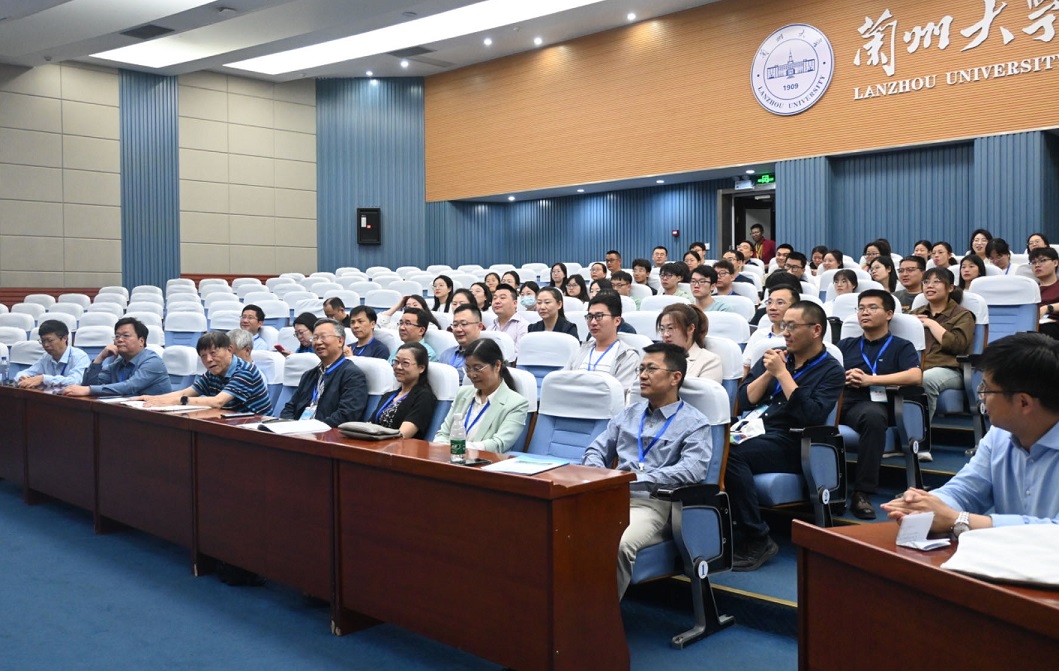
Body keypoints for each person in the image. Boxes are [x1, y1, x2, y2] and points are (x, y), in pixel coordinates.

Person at [883, 332, 1059, 530]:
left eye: (986, 388)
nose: (981, 396)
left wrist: (959, 520)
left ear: (1023, 402)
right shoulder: (999, 436)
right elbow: (965, 490)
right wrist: (927, 504)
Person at [582, 343, 712, 598]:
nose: (642, 375)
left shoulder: (695, 423)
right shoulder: (628, 414)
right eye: (641, 369)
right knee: (560, 530)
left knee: (617, 543)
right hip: (610, 495)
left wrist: (635, 479)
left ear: (675, 377)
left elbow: (692, 470)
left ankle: (598, 616)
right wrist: (600, 476)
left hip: (654, 503)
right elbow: (595, 450)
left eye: (651, 369)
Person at [726, 300, 845, 570]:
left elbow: (811, 416)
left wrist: (782, 375)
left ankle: (758, 538)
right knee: (712, 443)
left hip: (793, 440)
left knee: (730, 455)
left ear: (816, 330)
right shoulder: (774, 357)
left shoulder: (831, 370)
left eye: (792, 326)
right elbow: (743, 401)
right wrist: (769, 374)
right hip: (754, 429)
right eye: (783, 326)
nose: (785, 333)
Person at [837, 290, 922, 519]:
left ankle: (862, 492)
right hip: (840, 400)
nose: (865, 312)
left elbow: (915, 376)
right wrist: (844, 377)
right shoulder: (845, 345)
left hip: (872, 403)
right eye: (861, 308)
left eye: (872, 307)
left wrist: (870, 380)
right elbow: (827, 372)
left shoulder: (901, 346)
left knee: (873, 418)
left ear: (889, 314)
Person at [433, 338, 529, 453]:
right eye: (468, 368)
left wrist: (459, 448)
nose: (471, 375)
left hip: (483, 460)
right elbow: (443, 433)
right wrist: (441, 447)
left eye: (477, 369)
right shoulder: (463, 393)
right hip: (451, 457)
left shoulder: (516, 404)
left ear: (497, 365)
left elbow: (498, 444)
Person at [142, 331, 270, 414]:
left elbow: (218, 401)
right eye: (203, 356)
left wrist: (175, 401)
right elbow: (185, 393)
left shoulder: (245, 371)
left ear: (230, 350)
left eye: (213, 353)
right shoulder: (212, 373)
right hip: (231, 424)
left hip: (258, 430)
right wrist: (150, 399)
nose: (208, 360)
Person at [911, 267, 974, 433]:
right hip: (917, 366)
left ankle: (919, 438)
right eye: (926, 282)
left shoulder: (963, 315)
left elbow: (957, 345)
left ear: (950, 288)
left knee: (925, 380)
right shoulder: (914, 314)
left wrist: (932, 324)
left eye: (937, 281)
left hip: (949, 369)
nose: (930, 285)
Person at [274, 318, 368, 425]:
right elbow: (290, 407)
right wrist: (289, 425)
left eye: (324, 337)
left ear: (340, 341)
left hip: (326, 432)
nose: (318, 342)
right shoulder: (309, 375)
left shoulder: (352, 375)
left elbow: (346, 415)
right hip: (299, 430)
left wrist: (313, 428)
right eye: (315, 338)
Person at [63, 317, 170, 397]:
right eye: (117, 336)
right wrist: (100, 358)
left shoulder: (152, 361)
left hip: (155, 415)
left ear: (141, 341)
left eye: (126, 336)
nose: (119, 340)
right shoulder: (118, 363)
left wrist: (89, 390)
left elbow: (130, 386)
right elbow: (89, 384)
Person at [565, 292, 642, 389]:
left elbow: (621, 393)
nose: (593, 322)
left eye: (599, 316)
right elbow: (563, 382)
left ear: (617, 321)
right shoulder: (580, 350)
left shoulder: (628, 357)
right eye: (590, 317)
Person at [371, 343, 437, 439]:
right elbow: (370, 426)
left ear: (421, 368)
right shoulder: (389, 395)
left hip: (400, 446)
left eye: (405, 363)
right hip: (376, 444)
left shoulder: (424, 397)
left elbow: (402, 435)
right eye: (396, 361)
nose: (398, 367)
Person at [14, 319, 91, 390]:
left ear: (64, 338)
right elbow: (27, 372)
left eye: (50, 340)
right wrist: (22, 377)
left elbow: (75, 381)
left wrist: (44, 379)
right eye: (43, 341)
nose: (46, 345)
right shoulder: (46, 357)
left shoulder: (80, 357)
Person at [656, 303, 722, 382]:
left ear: (690, 329)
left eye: (670, 328)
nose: (665, 334)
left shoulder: (709, 361)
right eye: (662, 329)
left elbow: (704, 390)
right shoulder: (656, 357)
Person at [743, 285, 799, 375]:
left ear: (795, 307)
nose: (772, 307)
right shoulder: (759, 334)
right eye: (769, 302)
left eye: (780, 303)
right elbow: (745, 368)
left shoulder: (801, 336)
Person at [439, 304, 485, 380]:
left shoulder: (486, 356)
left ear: (479, 326)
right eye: (455, 325)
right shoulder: (446, 354)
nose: (458, 329)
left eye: (464, 324)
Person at [489, 284, 528, 357]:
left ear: (515, 303)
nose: (497, 301)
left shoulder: (523, 326)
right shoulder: (490, 327)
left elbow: (518, 356)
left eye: (502, 298)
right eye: (494, 298)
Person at [1031, 247, 1059, 340]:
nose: (1037, 265)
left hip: (1053, 328)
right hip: (1032, 327)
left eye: (1042, 260)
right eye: (1033, 262)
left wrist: (1047, 308)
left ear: (1055, 263)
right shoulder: (1029, 289)